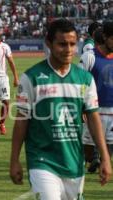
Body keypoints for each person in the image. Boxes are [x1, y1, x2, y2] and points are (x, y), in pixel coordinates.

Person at [10, 19, 111, 200]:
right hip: (41, 160)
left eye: (72, 44)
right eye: (62, 44)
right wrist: (14, 160)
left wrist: (105, 157)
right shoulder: (31, 78)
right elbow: (21, 121)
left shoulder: (85, 79)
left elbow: (93, 117)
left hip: (73, 161)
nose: (68, 49)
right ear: (49, 44)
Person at [79, 21, 113, 173]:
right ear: (105, 37)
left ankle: (101, 159)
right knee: (88, 150)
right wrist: (81, 107)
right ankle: (93, 158)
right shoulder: (89, 57)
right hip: (94, 110)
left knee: (108, 152)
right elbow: (79, 82)